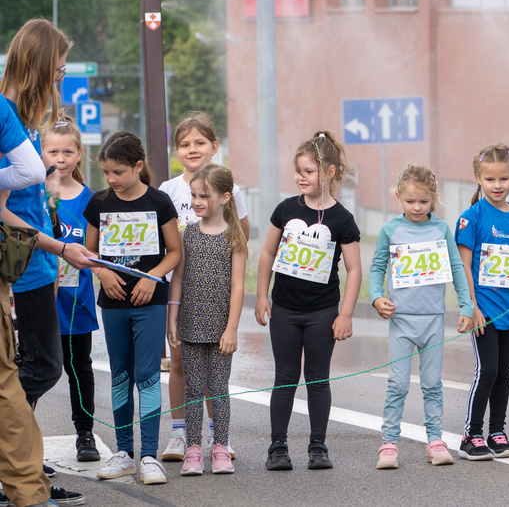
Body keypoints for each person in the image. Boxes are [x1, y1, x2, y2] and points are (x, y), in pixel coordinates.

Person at [0, 18, 90, 507]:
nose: (61, 78)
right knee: (37, 370)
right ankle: (17, 470)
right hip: (24, 263)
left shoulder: (22, 117)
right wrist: (58, 248)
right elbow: (2, 209)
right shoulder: (4, 113)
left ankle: (23, 468)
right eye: (57, 70)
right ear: (37, 65)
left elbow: (30, 199)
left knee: (30, 369)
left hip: (36, 263)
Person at [255, 131, 361, 471]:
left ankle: (318, 446)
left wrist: (345, 314)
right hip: (284, 308)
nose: (301, 177)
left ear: (328, 172)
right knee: (285, 376)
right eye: (298, 171)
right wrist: (260, 295)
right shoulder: (285, 210)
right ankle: (278, 446)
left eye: (309, 171)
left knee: (317, 377)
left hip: (322, 311)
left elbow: (354, 269)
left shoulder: (342, 219)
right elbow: (267, 253)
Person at [83, 131, 181, 484]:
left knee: (148, 375)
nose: (112, 180)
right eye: (106, 173)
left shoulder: (159, 202)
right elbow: (88, 252)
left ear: (138, 167)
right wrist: (102, 272)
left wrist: (151, 277)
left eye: (118, 172)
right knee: (121, 373)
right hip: (112, 304)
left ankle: (150, 455)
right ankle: (123, 452)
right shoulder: (98, 202)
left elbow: (175, 252)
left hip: (150, 302)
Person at [158, 112, 249, 463]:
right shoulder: (169, 189)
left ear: (214, 147)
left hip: (214, 291)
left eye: (199, 142)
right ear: (176, 149)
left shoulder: (232, 189)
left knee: (215, 372)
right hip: (182, 289)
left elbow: (243, 235)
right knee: (180, 362)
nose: (192, 149)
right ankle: (181, 435)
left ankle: (216, 437)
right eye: (184, 144)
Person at [370, 165, 473, 469]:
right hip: (401, 321)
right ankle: (389, 443)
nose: (417, 208)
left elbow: (456, 268)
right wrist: (376, 297)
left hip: (433, 320)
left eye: (424, 202)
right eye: (410, 201)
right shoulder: (390, 230)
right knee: (397, 383)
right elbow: (377, 269)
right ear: (398, 196)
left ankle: (435, 440)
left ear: (434, 199)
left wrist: (466, 305)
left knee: (432, 383)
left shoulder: (441, 229)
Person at [455, 142, 509, 461]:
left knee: (503, 372)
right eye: (490, 180)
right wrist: (471, 306)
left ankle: (497, 432)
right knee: (485, 370)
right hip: (483, 311)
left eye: (503, 179)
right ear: (478, 178)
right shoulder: (470, 218)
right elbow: (463, 267)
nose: (497, 186)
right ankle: (471, 435)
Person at [43, 118, 100, 463]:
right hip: (38, 298)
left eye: (68, 151)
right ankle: (23, 441)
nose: (61, 158)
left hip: (75, 301)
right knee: (33, 369)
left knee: (79, 367)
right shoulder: (33, 197)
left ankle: (85, 433)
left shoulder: (92, 201)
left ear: (80, 154)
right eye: (53, 151)